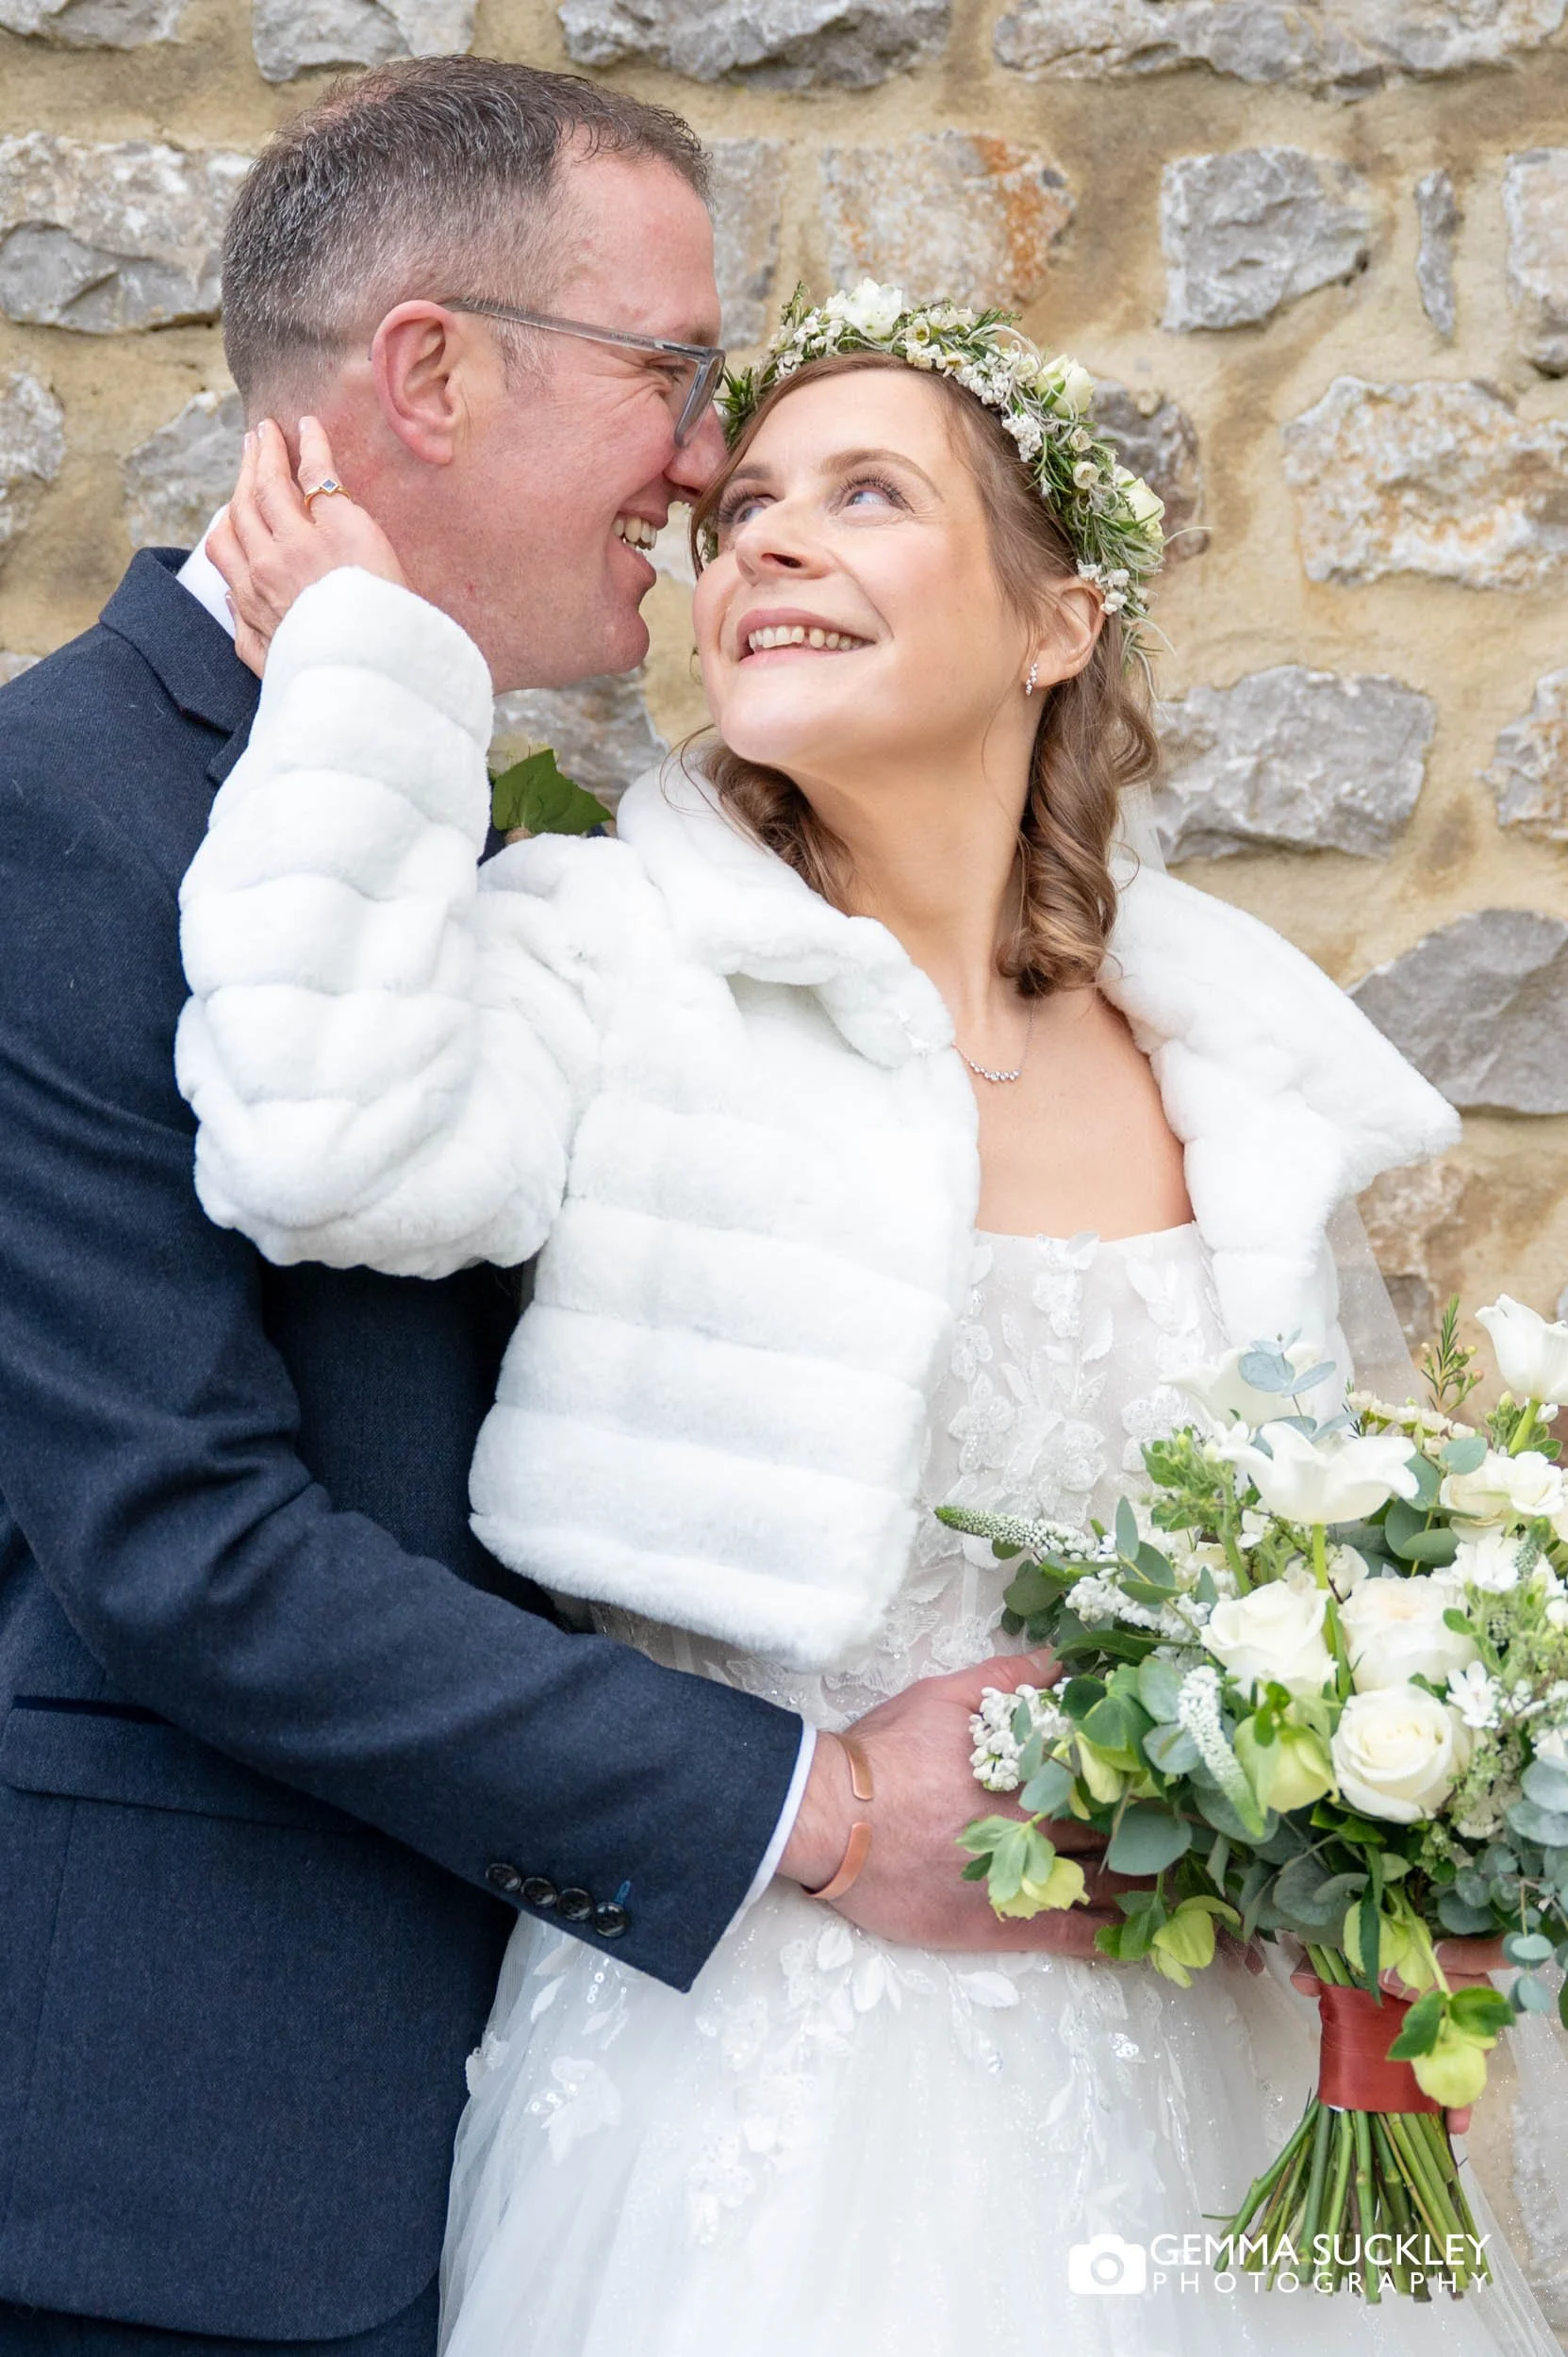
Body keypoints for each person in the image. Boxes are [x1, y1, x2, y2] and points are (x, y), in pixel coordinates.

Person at [182, 286, 1558, 2357]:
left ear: (1054, 622)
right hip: (772, 2054)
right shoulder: (616, 946)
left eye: (868, 493)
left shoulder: (1221, 1044)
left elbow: (1346, 1550)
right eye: (741, 510)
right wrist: (374, 674)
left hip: (1216, 2041)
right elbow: (315, 1143)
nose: (767, 543)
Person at [0, 68, 1104, 2357]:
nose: (704, 464)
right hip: (183, 2147)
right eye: (676, 376)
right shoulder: (59, 813)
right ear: (432, 368)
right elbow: (190, 1540)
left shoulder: (504, 842)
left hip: (552, 2104)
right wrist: (811, 1808)